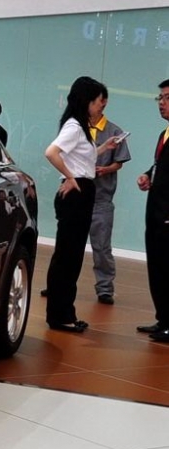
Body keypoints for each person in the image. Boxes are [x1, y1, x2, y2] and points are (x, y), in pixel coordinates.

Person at [43, 76, 117, 333]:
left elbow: (83, 157)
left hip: (82, 192)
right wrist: (70, 177)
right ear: (87, 101)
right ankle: (60, 315)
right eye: (98, 102)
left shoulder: (81, 126)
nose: (100, 107)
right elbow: (51, 152)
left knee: (70, 256)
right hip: (77, 193)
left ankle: (64, 313)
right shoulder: (74, 126)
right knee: (68, 257)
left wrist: (104, 147)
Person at [88, 89, 130, 305]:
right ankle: (60, 285)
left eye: (94, 100)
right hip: (78, 196)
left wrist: (105, 170)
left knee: (102, 248)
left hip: (101, 199)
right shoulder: (77, 128)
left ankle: (105, 288)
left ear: (103, 102)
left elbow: (119, 163)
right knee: (69, 245)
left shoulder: (114, 131)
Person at [136, 79, 169, 343]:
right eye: (160, 98)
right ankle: (163, 318)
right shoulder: (164, 134)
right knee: (158, 269)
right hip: (156, 213)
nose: (161, 103)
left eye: (167, 98)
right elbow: (161, 167)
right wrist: (148, 175)